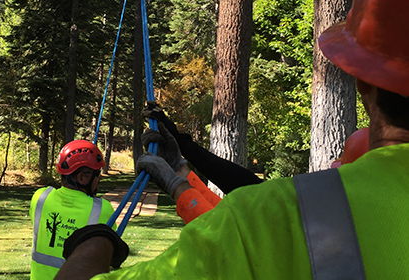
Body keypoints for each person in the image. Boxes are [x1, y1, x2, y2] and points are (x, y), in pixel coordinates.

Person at [55, 0, 409, 279]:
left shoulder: (290, 217)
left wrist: (96, 242)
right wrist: (182, 166)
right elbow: (248, 194)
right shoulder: (280, 215)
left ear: (362, 81)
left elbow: (251, 216)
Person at [29, 140, 118, 280]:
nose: (100, 178)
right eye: (97, 173)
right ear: (81, 178)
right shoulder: (102, 209)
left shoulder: (40, 197)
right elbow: (110, 252)